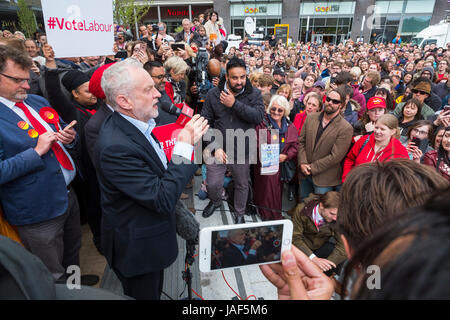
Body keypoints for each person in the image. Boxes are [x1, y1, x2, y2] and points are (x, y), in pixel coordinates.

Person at [95, 59, 209, 300]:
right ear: (124, 101)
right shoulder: (115, 147)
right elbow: (162, 197)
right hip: (138, 251)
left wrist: (188, 148)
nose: (158, 93)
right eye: (148, 89)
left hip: (151, 240)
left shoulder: (140, 123)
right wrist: (184, 148)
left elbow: (160, 172)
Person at [260, 160, 449, 300]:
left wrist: (326, 267)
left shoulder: (364, 277)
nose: (335, 218)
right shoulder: (302, 211)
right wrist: (315, 261)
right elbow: (297, 238)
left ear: (350, 247)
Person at [0, 45, 82, 282]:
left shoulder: (35, 101)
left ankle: (75, 292)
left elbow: (63, 129)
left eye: (28, 79)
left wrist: (69, 139)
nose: (26, 85)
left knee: (73, 255)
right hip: (37, 212)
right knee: (51, 274)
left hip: (67, 196)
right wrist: (36, 152)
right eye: (18, 80)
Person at [200, 57, 264, 224]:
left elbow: (258, 117)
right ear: (226, 77)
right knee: (213, 184)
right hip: (217, 146)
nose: (239, 81)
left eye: (242, 77)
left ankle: (239, 212)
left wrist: (234, 104)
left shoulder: (255, 94)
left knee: (242, 184)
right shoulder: (213, 94)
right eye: (234, 77)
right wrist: (216, 147)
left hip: (242, 147)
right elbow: (205, 122)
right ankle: (215, 202)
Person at [298, 88, 353, 200]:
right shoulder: (311, 118)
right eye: (328, 99)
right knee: (303, 206)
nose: (330, 103)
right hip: (305, 173)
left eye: (335, 101)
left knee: (320, 212)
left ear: (341, 105)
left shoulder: (345, 128)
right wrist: (303, 162)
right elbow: (301, 142)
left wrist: (312, 168)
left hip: (325, 179)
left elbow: (335, 156)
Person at [253, 95, 299, 220]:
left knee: (277, 191)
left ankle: (273, 214)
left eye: (280, 110)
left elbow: (295, 145)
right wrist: (272, 157)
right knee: (266, 190)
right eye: (273, 109)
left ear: (285, 111)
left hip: (282, 164)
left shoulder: (289, 125)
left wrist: (286, 155)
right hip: (265, 164)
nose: (276, 112)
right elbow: (259, 144)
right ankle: (268, 216)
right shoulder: (263, 123)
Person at [342, 114, 409, 182]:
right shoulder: (364, 140)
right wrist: (346, 179)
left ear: (392, 131)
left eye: (382, 129)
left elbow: (403, 176)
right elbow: (350, 159)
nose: (377, 131)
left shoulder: (400, 151)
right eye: (376, 127)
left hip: (379, 191)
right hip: (355, 186)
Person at [292, 191, 346, 276]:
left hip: (319, 247)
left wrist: (325, 265)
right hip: (302, 249)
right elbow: (295, 238)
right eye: (332, 213)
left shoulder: (337, 218)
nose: (335, 218)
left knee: (338, 255)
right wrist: (314, 259)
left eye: (337, 215)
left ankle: (327, 277)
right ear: (321, 206)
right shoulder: (301, 210)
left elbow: (343, 246)